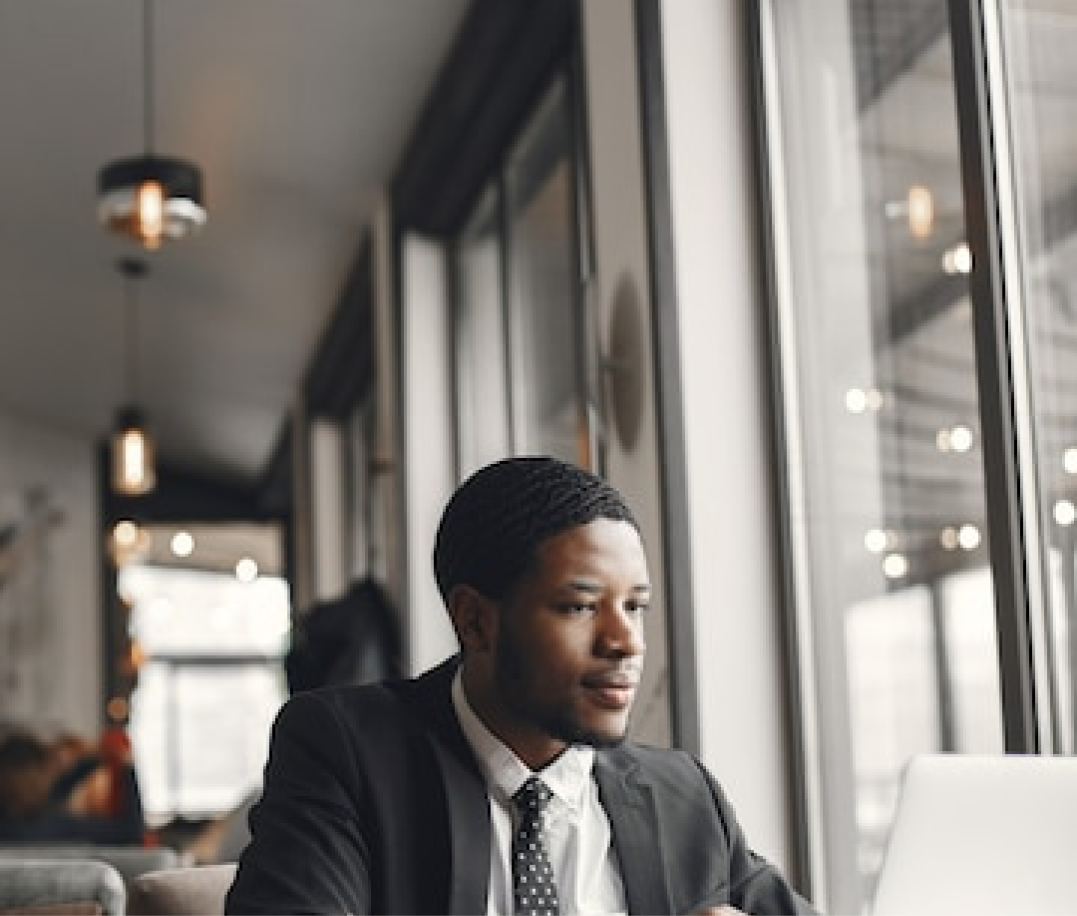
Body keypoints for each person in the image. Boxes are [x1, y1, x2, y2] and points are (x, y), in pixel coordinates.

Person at [226, 456, 823, 916]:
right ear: (475, 620)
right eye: (580, 608)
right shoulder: (348, 752)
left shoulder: (685, 797)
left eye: (636, 607)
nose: (626, 642)